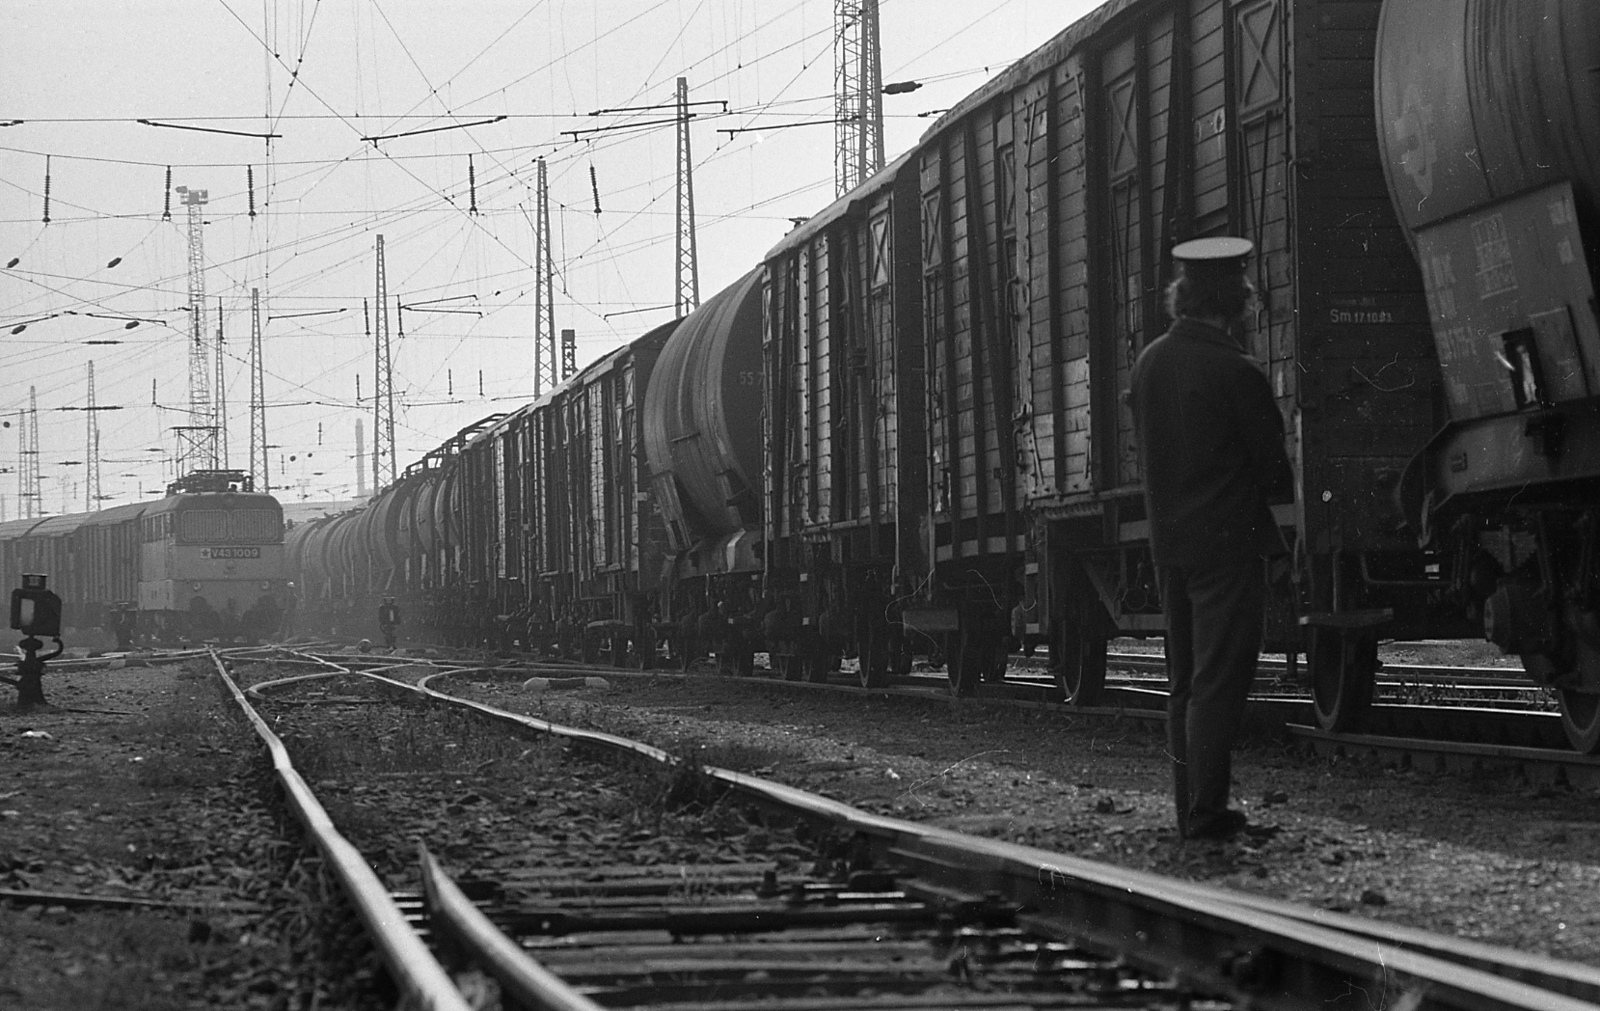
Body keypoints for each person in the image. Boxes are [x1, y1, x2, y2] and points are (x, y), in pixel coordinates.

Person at [1129, 236, 1295, 842]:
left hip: (1169, 545)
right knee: (1220, 681)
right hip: (1227, 546)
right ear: (1237, 298)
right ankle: (1206, 813)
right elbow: (1275, 472)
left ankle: (1190, 808)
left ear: (1184, 296)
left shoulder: (1150, 363)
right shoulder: (1235, 369)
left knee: (1185, 683)